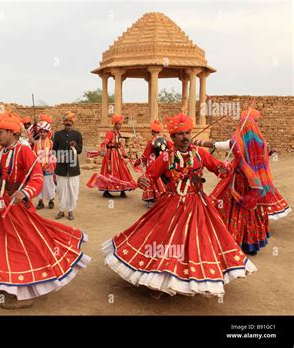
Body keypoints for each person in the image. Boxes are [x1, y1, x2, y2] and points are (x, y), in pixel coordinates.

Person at [0, 111, 90, 309]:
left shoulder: (24, 152)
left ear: (13, 133)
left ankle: (23, 294)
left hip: (17, 208)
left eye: (0, 133)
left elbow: (37, 177)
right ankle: (6, 283)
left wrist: (26, 192)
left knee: (19, 247)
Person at [102, 113, 256, 299]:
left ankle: (197, 277)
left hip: (198, 203)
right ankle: (157, 281)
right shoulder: (166, 157)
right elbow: (150, 176)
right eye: (180, 134)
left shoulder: (200, 154)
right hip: (172, 202)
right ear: (173, 137)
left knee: (199, 241)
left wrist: (225, 168)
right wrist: (143, 180)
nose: (185, 137)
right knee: (165, 241)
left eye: (187, 133)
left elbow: (218, 169)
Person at [194, 108, 291, 255]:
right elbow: (264, 153)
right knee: (253, 211)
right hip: (256, 185)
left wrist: (196, 141)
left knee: (233, 210)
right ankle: (251, 244)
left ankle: (233, 242)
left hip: (237, 182)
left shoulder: (236, 141)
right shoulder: (261, 142)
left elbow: (215, 144)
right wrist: (271, 152)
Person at [94, 114, 135, 198]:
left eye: (121, 124)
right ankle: (106, 191)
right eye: (119, 124)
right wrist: (103, 149)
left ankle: (123, 190)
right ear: (115, 124)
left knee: (122, 170)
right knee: (110, 172)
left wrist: (124, 154)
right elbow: (104, 142)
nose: (120, 126)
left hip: (118, 155)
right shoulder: (110, 133)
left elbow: (120, 145)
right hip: (111, 155)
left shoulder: (118, 133)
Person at [52, 112, 83, 221]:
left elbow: (80, 151)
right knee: (61, 190)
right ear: (63, 122)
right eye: (66, 121)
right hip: (61, 167)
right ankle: (61, 210)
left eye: (70, 121)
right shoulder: (58, 134)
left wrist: (76, 145)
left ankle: (70, 211)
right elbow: (54, 150)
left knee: (72, 190)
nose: (68, 123)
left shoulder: (77, 134)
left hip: (73, 168)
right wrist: (60, 156)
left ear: (72, 123)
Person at [134, 120, 169, 207]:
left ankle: (152, 198)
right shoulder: (164, 140)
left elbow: (145, 155)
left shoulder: (151, 142)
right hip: (161, 162)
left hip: (152, 163)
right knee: (160, 179)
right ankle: (161, 197)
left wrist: (137, 162)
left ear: (152, 131)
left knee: (151, 178)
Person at [32, 114, 56, 210]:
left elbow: (53, 155)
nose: (42, 134)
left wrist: (49, 165)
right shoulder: (36, 143)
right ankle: (40, 202)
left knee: (49, 184)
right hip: (38, 167)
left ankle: (51, 200)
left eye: (44, 132)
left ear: (48, 132)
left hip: (48, 167)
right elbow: (34, 155)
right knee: (39, 184)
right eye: (41, 132)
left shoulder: (51, 143)